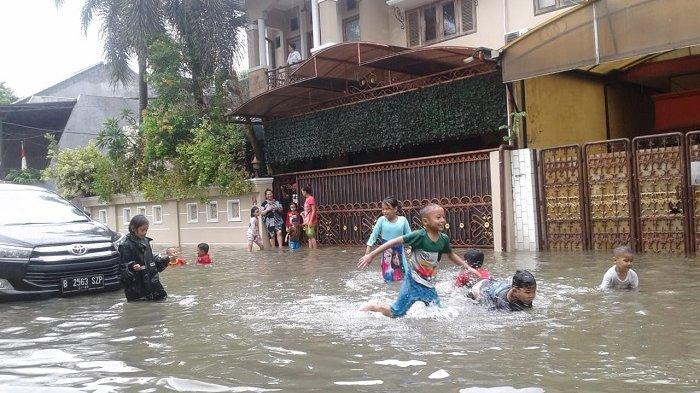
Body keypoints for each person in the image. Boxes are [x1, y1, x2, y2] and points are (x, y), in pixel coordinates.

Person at [357, 203, 481, 318]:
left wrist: (468, 267)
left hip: (428, 284)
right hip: (412, 282)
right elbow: (393, 242)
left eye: (443, 217)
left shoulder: (443, 239)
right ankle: (374, 305)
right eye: (438, 217)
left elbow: (451, 255)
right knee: (396, 313)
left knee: (438, 313)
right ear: (425, 222)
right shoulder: (419, 236)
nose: (443, 220)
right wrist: (372, 254)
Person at [118, 215, 177, 302]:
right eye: (142, 230)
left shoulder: (146, 241)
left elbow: (151, 261)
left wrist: (168, 258)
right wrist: (131, 267)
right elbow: (123, 268)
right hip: (138, 288)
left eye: (146, 230)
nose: (145, 232)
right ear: (133, 228)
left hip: (153, 284)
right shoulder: (126, 245)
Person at [365, 196, 411, 282]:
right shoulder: (381, 220)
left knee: (403, 276)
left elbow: (410, 236)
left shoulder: (403, 220)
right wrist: (367, 253)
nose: (385, 211)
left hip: (399, 253)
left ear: (395, 209)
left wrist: (410, 248)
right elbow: (373, 236)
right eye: (383, 209)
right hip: (386, 253)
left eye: (388, 208)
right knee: (388, 278)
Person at [468, 270, 537, 312]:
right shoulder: (503, 302)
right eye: (528, 292)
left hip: (494, 284)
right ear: (515, 291)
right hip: (480, 288)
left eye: (534, 291)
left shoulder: (525, 296)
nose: (532, 295)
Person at [301, 185, 318, 249]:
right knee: (309, 235)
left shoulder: (311, 198)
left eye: (302, 191)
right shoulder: (307, 199)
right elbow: (308, 209)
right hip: (307, 219)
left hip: (310, 220)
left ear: (305, 191)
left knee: (311, 235)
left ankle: (315, 250)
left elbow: (313, 210)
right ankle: (310, 250)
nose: (302, 193)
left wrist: (311, 221)